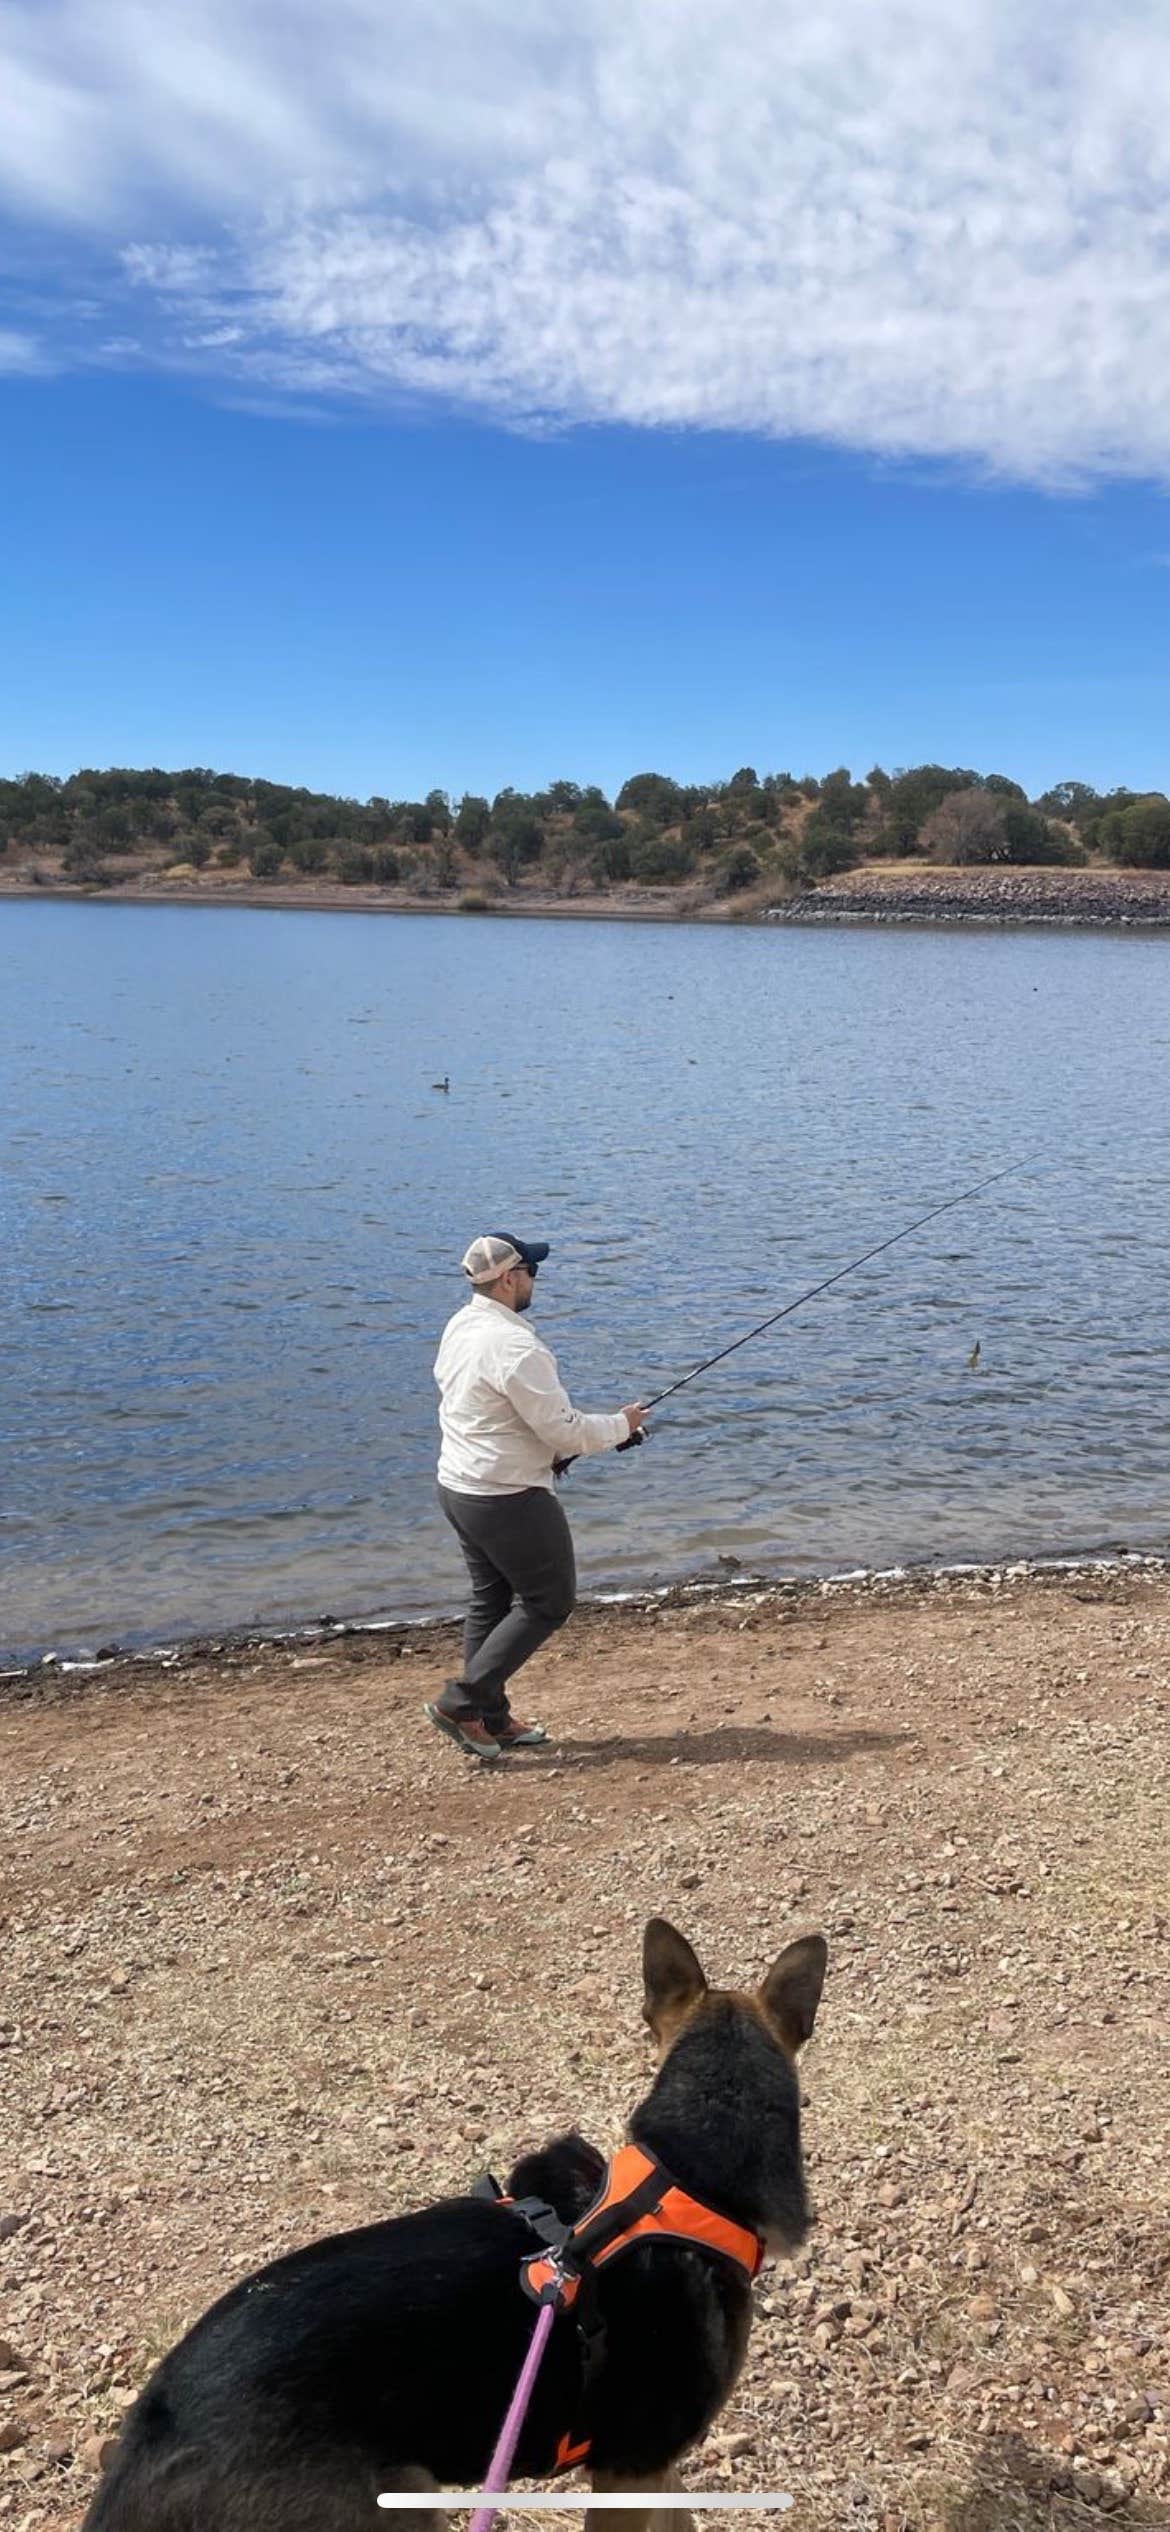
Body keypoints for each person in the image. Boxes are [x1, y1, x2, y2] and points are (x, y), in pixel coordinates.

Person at [425, 1232, 647, 1761]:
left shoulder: (461, 1326)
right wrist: (621, 1425)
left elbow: (490, 1414)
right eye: (532, 1271)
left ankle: (490, 1718)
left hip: (459, 1486)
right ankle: (461, 1702)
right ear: (509, 1278)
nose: (534, 1281)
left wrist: (563, 1448)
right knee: (549, 1601)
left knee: (492, 1601)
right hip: (507, 1497)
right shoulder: (516, 1346)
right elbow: (564, 1431)